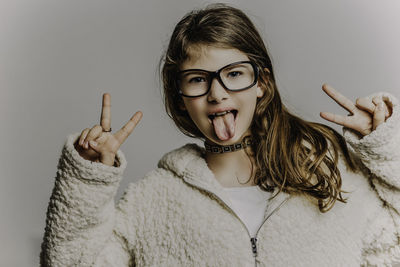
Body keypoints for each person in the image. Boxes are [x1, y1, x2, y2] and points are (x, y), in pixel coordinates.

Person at [40, 3, 400, 267]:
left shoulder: (325, 168)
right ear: (180, 99)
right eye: (198, 79)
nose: (217, 93)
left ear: (261, 83)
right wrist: (88, 178)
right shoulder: (154, 201)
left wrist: (385, 147)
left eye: (234, 73)